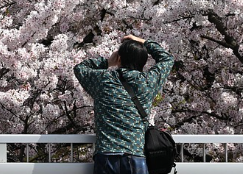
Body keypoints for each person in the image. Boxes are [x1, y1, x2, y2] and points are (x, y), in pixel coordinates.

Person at [74, 34, 174, 174]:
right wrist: (144, 42)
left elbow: (80, 68)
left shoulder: (104, 79)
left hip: (106, 155)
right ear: (143, 62)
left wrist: (108, 62)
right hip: (135, 155)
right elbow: (167, 59)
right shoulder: (148, 82)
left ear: (119, 58)